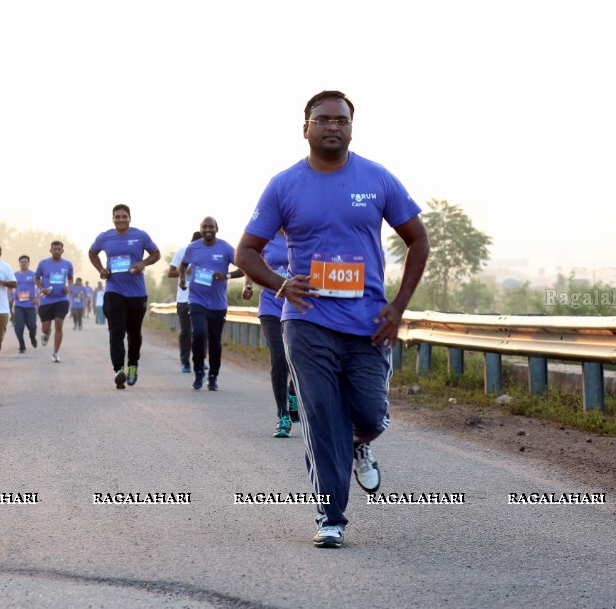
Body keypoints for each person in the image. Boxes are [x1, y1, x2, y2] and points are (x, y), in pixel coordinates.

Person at [235, 90, 429, 549]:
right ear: (305, 128)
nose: (332, 127)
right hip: (306, 321)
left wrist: (397, 306)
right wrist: (281, 285)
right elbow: (246, 252)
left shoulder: (377, 178)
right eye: (322, 119)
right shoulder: (284, 185)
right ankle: (331, 516)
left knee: (369, 415)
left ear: (351, 127)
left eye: (340, 120)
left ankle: (361, 443)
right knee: (323, 419)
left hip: (368, 324)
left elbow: (418, 240)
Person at [88, 203, 161, 389]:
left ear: (130, 218)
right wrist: (101, 269)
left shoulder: (140, 235)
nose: (120, 220)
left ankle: (133, 366)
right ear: (112, 219)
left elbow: (156, 253)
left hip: (137, 293)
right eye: (117, 217)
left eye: (124, 216)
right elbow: (92, 252)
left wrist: (143, 263)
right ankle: (119, 369)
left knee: (134, 333)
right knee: (116, 331)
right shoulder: (105, 237)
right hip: (114, 290)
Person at [241, 230, 299, 437]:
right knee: (279, 357)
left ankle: (292, 392)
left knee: (298, 358)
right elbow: (251, 261)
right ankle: (282, 415)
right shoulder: (266, 237)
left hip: (296, 306)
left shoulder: (301, 232)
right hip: (270, 306)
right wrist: (248, 284)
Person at [179, 217, 243, 391]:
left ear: (216, 228)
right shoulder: (193, 247)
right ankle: (199, 371)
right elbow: (183, 265)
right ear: (200, 229)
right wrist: (183, 278)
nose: (208, 229)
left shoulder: (226, 248)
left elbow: (244, 267)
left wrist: (226, 276)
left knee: (215, 341)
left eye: (211, 226)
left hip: (218, 303)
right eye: (204, 227)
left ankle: (213, 375)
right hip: (197, 299)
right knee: (199, 334)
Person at [167, 230, 202, 373]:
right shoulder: (182, 252)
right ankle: (185, 362)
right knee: (186, 331)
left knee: (201, 331)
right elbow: (170, 272)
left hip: (202, 299)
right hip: (184, 299)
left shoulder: (207, 253)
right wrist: (185, 272)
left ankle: (200, 360)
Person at [34, 240, 73, 363]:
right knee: (45, 327)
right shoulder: (43, 263)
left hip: (62, 299)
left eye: (59, 249)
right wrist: (42, 289)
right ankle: (46, 333)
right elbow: (36, 278)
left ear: (62, 250)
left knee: (58, 323)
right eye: (54, 249)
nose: (56, 251)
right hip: (46, 300)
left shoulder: (67, 264)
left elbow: (70, 278)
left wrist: (68, 287)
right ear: (50, 250)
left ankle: (55, 353)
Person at [11, 255, 39, 353]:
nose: (23, 263)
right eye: (22, 262)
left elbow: (40, 286)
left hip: (30, 305)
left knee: (32, 326)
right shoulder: (14, 275)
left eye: (25, 262)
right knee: (18, 327)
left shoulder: (33, 275)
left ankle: (32, 337)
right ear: (19, 263)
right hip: (19, 305)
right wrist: (12, 296)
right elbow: (10, 287)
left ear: (28, 263)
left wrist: (37, 297)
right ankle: (22, 345)